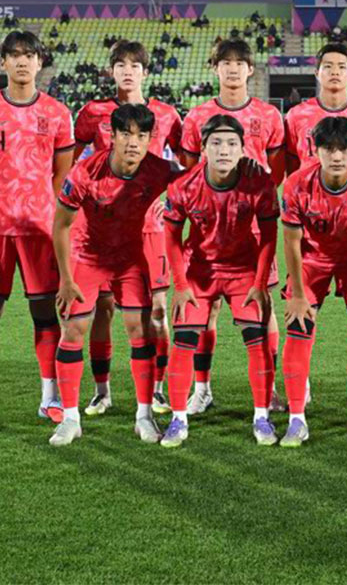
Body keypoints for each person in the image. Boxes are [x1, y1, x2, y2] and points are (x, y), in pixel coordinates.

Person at [0, 30, 75, 430]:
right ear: (2, 62)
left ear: (40, 62)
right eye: (15, 55)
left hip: (40, 229)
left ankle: (49, 399)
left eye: (30, 55)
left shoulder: (58, 114)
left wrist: (39, 205)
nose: (23, 62)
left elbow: (62, 173)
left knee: (44, 311)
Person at [47, 104, 181, 447]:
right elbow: (60, 225)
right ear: (113, 135)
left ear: (151, 138)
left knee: (141, 330)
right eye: (126, 134)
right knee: (74, 329)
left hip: (131, 260)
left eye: (141, 135)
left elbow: (200, 185)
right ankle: (70, 419)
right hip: (87, 256)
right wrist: (65, 279)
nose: (133, 142)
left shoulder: (160, 169)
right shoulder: (85, 171)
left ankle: (144, 417)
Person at [69, 40, 184, 417]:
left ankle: (158, 389)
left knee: (157, 312)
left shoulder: (166, 115)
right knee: (102, 309)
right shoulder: (93, 113)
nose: (128, 71)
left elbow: (183, 167)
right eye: (121, 65)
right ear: (112, 71)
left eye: (135, 65)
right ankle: (102, 390)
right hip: (99, 230)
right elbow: (72, 165)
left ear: (145, 72)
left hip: (150, 228)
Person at [177, 39, 286, 414]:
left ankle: (270, 390)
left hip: (253, 229)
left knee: (263, 306)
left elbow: (277, 168)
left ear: (250, 70)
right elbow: (190, 169)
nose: (233, 69)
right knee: (204, 311)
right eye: (226, 62)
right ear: (215, 69)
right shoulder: (196, 116)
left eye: (240, 63)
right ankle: (201, 389)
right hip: (208, 231)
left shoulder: (269, 116)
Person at [159, 115, 280, 447]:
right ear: (203, 149)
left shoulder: (259, 183)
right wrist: (181, 286)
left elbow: (269, 235)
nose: (223, 150)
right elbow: (171, 236)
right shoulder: (183, 186)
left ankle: (261, 417)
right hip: (199, 271)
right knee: (183, 342)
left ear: (243, 149)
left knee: (256, 342)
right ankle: (178, 419)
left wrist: (259, 282)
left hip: (244, 270)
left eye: (231, 144)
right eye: (216, 143)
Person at [280, 116, 347, 447]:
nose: (337, 156)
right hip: (312, 258)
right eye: (329, 148)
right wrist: (298, 293)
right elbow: (291, 242)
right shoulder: (297, 185)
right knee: (299, 326)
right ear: (317, 150)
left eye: (344, 149)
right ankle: (296, 419)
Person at [283, 42, 347, 177]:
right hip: (311, 196)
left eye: (342, 67)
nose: (335, 72)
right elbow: (292, 161)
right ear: (316, 73)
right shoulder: (296, 115)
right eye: (328, 66)